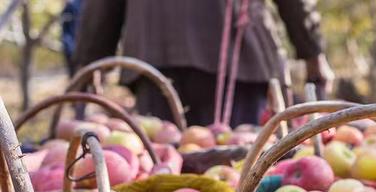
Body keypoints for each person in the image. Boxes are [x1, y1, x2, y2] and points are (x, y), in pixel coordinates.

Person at [73, 0, 334, 128]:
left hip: (155, 53)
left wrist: (92, 59)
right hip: (236, 54)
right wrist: (312, 50)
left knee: (163, 172)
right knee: (242, 168)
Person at [61, 0, 83, 78]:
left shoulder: (70, 6)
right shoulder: (70, 7)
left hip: (78, 50)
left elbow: (66, 32)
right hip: (75, 50)